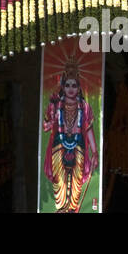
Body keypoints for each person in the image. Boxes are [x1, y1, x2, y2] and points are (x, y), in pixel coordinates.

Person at [42, 72, 97, 214]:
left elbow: (89, 128)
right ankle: (61, 208)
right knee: (59, 178)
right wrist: (53, 114)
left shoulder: (84, 106)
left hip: (78, 144)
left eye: (74, 85)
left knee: (76, 179)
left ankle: (72, 208)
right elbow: (46, 126)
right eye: (67, 85)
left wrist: (95, 152)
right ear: (63, 87)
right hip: (58, 143)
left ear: (79, 88)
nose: (71, 88)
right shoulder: (56, 104)